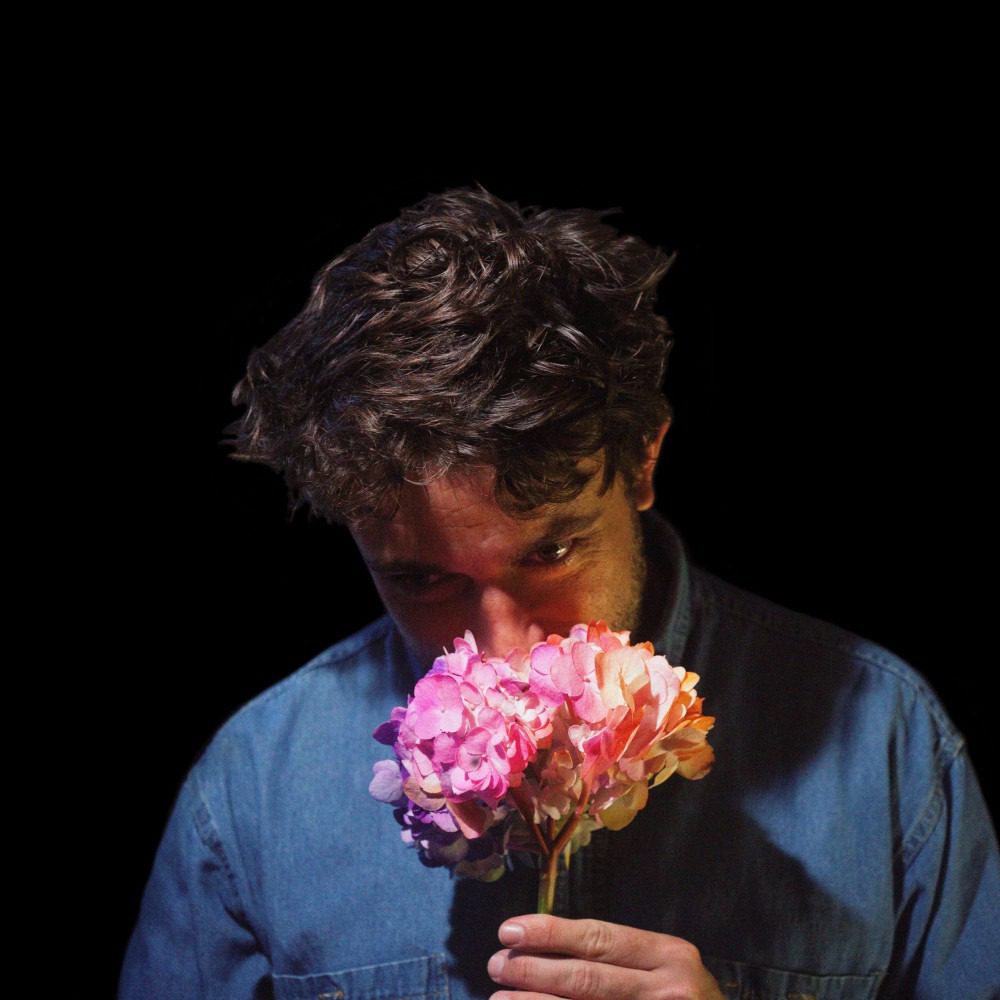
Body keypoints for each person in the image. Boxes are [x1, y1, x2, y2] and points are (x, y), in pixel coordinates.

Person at [120, 187, 1000, 999]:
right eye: (422, 579)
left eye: (551, 552)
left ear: (643, 462)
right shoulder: (253, 787)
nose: (503, 651)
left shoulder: (888, 743)